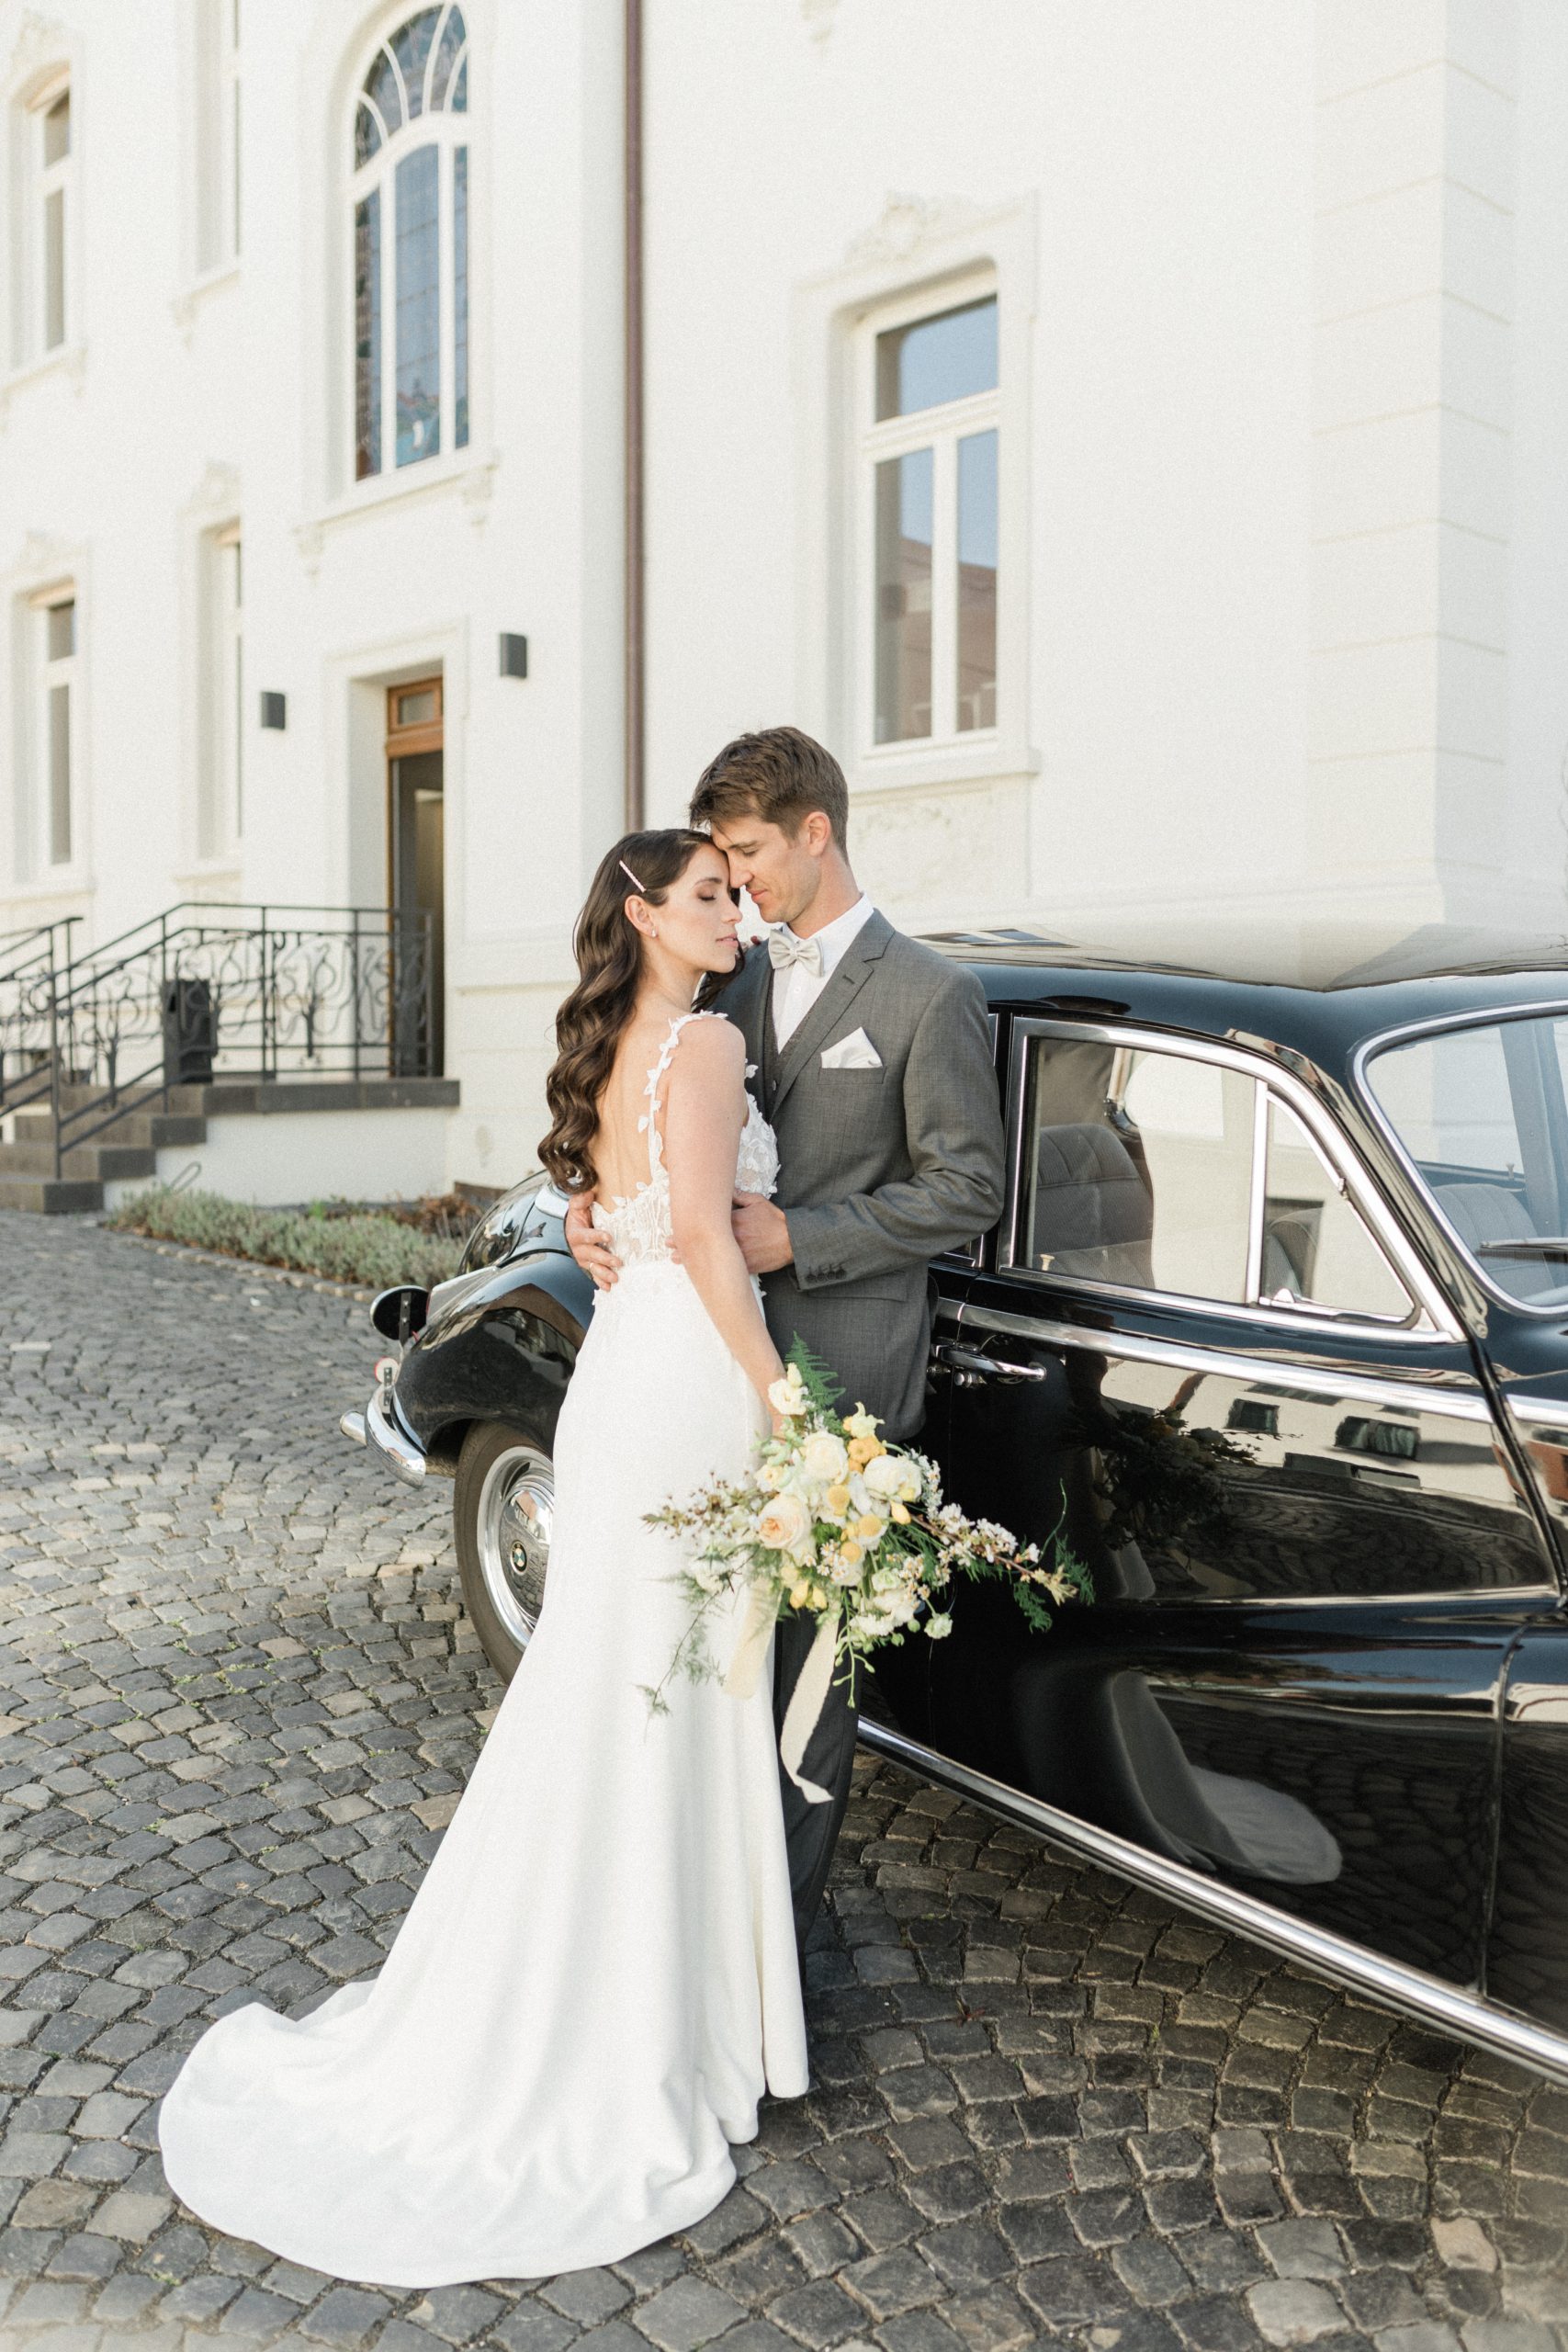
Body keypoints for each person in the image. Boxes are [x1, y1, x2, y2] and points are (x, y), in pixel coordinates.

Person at [158, 830, 808, 2289]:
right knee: (677, 1684)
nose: (733, 910)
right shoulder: (698, 1045)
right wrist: (791, 1409)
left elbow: (618, 1218)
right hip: (694, 1374)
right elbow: (704, 1240)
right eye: (707, 895)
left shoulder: (623, 1044)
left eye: (734, 889)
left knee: (619, 1682)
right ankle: (667, 2025)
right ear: (644, 915)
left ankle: (630, 1997)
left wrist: (651, 1238)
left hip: (627, 1382)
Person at [569, 727, 1007, 1955]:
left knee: (810, 1702)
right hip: (705, 1383)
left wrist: (801, 1239)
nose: (741, 880)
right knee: (700, 1672)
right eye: (724, 864)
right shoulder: (730, 978)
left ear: (816, 831)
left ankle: (776, 1962)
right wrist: (590, 1204)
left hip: (843, 1388)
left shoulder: (933, 994)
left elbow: (967, 1187)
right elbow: (654, 1125)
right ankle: (684, 1943)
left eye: (752, 852)